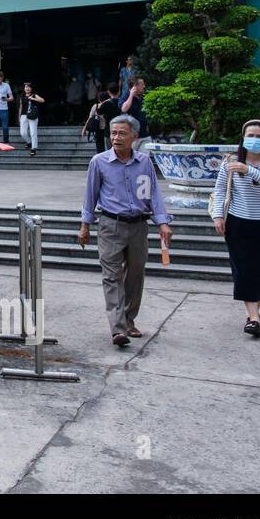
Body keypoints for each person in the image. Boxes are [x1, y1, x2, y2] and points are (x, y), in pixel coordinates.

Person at [78, 115, 173, 346]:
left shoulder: (144, 162)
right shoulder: (99, 162)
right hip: (110, 225)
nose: (116, 137)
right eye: (113, 133)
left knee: (135, 275)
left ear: (134, 136)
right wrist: (84, 226)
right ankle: (118, 328)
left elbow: (153, 195)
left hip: (139, 225)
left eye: (121, 133)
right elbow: (90, 195)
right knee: (111, 277)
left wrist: (162, 222)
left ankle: (129, 320)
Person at [210, 119, 260, 337]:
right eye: (250, 136)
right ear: (243, 138)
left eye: (259, 136)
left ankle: (254, 315)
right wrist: (217, 217)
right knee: (244, 270)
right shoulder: (230, 162)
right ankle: (253, 318)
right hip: (238, 222)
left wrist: (249, 170)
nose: (254, 140)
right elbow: (221, 190)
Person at [119, 77, 151, 149]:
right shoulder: (126, 96)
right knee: (132, 158)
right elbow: (124, 109)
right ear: (135, 86)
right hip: (132, 136)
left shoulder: (142, 97)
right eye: (142, 84)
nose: (144, 86)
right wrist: (131, 95)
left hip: (144, 135)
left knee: (144, 158)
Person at [19, 82, 44, 156]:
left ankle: (33, 148)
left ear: (31, 88)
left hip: (33, 115)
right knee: (23, 133)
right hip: (24, 115)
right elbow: (21, 107)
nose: (27, 88)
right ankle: (29, 142)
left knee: (33, 132)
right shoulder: (22, 96)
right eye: (26, 87)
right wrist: (19, 116)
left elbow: (42, 100)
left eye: (29, 87)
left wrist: (33, 98)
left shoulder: (34, 95)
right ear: (24, 88)